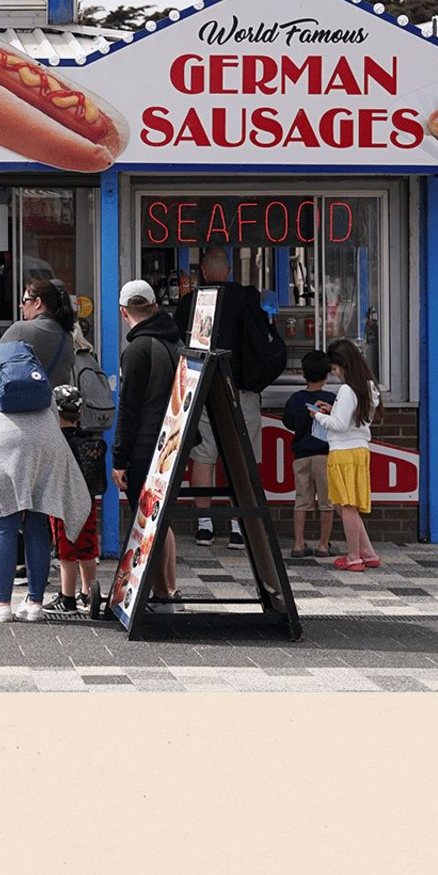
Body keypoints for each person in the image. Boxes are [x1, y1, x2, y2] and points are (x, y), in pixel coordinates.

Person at [0, 347, 93, 622]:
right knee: (37, 519)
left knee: (4, 522)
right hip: (48, 448)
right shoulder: (41, 384)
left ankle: (1, 605)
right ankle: (35, 603)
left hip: (4, 447)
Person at [174, 246, 270, 548]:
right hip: (242, 390)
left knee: (204, 457)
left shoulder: (191, 302)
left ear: (202, 273)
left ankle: (204, 526)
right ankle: (238, 525)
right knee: (242, 458)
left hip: (203, 388)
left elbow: (178, 347)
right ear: (229, 271)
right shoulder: (248, 300)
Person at [110, 280, 184, 603]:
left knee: (149, 521)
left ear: (124, 311)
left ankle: (160, 591)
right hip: (171, 445)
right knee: (163, 519)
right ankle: (168, 588)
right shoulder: (175, 343)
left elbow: (129, 409)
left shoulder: (137, 350)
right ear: (154, 306)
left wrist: (119, 459)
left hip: (143, 450)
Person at [44, 336, 113, 615]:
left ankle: (67, 597)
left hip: (62, 504)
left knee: (65, 552)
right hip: (87, 500)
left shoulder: (55, 443)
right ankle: (90, 590)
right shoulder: (88, 440)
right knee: (87, 547)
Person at [313, 338, 384, 573]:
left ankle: (354, 557)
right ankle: (368, 553)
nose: (335, 374)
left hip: (342, 452)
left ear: (343, 364)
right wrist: (334, 410)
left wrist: (318, 416)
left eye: (335, 368)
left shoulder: (346, 389)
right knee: (348, 506)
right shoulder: (368, 386)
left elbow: (339, 425)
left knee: (346, 506)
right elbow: (355, 419)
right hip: (361, 450)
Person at [285, 348, 339, 559]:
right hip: (324, 455)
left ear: (302, 374)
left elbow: (289, 422)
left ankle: (299, 544)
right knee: (326, 502)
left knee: (301, 501)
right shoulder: (330, 398)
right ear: (327, 375)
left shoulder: (295, 399)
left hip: (301, 456)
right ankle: (323, 545)